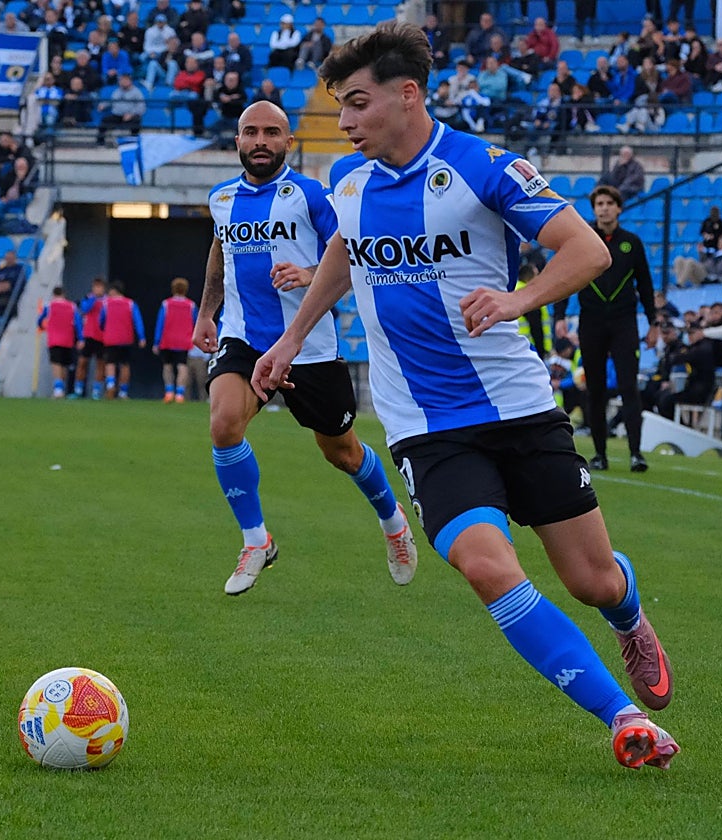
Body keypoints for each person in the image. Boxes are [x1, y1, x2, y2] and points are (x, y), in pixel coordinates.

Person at [250, 24, 678, 770]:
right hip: (425, 427)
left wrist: (520, 300)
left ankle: (630, 617)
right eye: (340, 108)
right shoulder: (348, 186)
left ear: (407, 94)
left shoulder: (485, 166)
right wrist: (290, 341)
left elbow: (587, 249)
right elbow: (343, 253)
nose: (344, 122)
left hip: (519, 409)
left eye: (356, 103)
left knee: (592, 580)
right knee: (486, 566)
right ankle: (623, 719)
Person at [194, 99, 419, 597]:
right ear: (237, 140)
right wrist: (207, 312)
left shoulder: (312, 196)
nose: (260, 142)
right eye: (250, 132)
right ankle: (257, 541)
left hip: (309, 347)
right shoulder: (221, 198)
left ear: (288, 142)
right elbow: (219, 250)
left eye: (271, 133)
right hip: (244, 338)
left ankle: (393, 520)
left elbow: (356, 254)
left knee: (341, 452)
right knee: (223, 424)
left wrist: (310, 273)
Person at [553, 185, 656, 472]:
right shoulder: (583, 238)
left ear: (619, 208)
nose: (604, 208)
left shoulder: (631, 242)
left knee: (628, 387)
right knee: (594, 389)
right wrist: (559, 315)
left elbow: (645, 285)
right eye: (599, 203)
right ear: (594, 207)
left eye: (610, 202)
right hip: (592, 321)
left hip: (624, 322)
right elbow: (565, 274)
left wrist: (654, 322)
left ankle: (636, 453)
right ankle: (600, 454)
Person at [153, 276, 198, 403]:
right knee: (182, 366)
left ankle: (169, 392)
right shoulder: (191, 305)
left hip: (168, 340)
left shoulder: (166, 304)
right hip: (184, 341)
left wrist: (157, 341)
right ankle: (180, 393)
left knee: (167, 366)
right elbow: (196, 322)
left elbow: (160, 323)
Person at [98, 281, 146, 399]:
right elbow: (137, 321)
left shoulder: (106, 304)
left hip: (111, 338)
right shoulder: (131, 304)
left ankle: (110, 386)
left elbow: (101, 321)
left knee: (110, 363)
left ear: (113, 291)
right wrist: (141, 337)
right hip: (126, 339)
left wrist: (104, 328)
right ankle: (123, 392)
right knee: (125, 365)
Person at [37, 286, 83, 399]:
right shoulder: (72, 306)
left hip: (54, 339)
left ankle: (58, 390)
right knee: (64, 364)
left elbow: (39, 319)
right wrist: (81, 339)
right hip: (68, 340)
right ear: (64, 294)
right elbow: (78, 323)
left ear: (54, 295)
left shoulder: (49, 306)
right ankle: (62, 389)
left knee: (56, 364)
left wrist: (41, 326)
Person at [74, 276, 108, 400]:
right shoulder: (88, 298)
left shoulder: (107, 301)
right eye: (95, 286)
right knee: (82, 362)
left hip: (102, 337)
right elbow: (84, 309)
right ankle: (78, 390)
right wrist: (93, 298)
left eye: (100, 286)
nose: (97, 289)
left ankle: (96, 391)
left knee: (100, 364)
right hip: (88, 335)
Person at [96, 73, 145, 145]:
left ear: (130, 81)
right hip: (117, 115)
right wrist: (103, 105)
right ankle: (100, 142)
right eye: (122, 80)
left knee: (136, 121)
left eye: (126, 80)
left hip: (130, 116)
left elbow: (141, 107)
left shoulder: (136, 92)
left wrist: (131, 114)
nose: (123, 82)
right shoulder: (117, 91)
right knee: (104, 120)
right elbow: (111, 101)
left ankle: (133, 142)